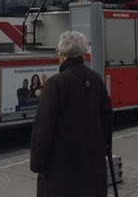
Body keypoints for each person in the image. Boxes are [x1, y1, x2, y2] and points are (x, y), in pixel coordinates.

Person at [30, 31, 113, 197]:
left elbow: (43, 126)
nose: (58, 56)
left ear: (65, 55)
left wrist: (37, 163)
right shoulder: (96, 79)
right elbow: (107, 118)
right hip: (92, 164)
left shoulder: (56, 83)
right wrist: (105, 148)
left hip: (62, 166)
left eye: (58, 53)